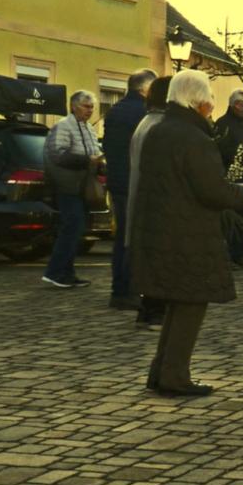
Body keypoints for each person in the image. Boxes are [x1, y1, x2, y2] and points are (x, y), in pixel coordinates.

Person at [132, 71, 243, 397]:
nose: (212, 106)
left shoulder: (160, 131)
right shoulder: (193, 138)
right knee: (190, 303)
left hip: (164, 228)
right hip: (187, 231)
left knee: (178, 302)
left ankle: (161, 371)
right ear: (198, 100)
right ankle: (174, 375)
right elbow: (211, 190)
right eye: (209, 99)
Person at [102, 69, 156, 312]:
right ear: (145, 89)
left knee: (122, 237)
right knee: (131, 238)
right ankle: (125, 290)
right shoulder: (142, 113)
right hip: (132, 181)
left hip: (117, 180)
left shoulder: (116, 109)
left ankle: (121, 287)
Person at [124, 76, 174, 328]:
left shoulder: (148, 121)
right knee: (158, 258)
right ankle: (153, 311)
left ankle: (150, 308)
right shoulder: (159, 125)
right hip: (154, 201)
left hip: (143, 198)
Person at [42, 90, 101, 289]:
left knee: (76, 230)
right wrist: (86, 160)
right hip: (68, 185)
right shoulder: (63, 126)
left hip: (83, 186)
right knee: (72, 227)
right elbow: (57, 155)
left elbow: (94, 153)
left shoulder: (89, 129)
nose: (90, 110)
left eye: (92, 107)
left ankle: (67, 273)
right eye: (86, 106)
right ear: (74, 106)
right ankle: (56, 271)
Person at [213, 88, 243, 268]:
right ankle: (231, 254)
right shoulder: (223, 124)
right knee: (232, 219)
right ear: (237, 105)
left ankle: (241, 252)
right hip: (230, 176)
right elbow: (219, 150)